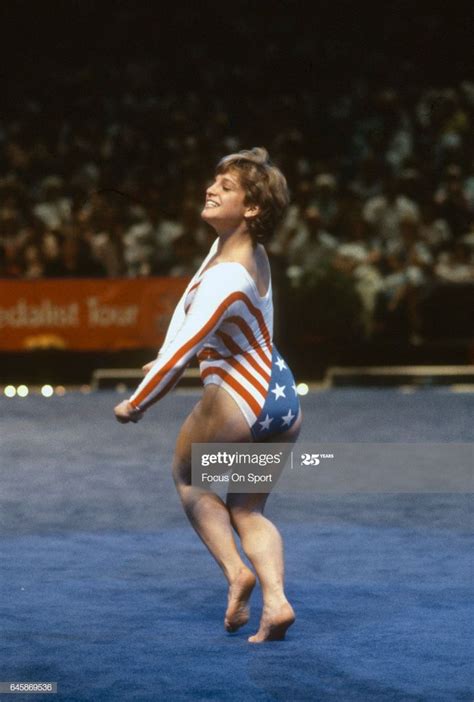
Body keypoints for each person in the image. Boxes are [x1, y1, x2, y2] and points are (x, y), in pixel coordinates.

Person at [114, 148, 302, 642]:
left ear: (252, 208)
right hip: (282, 400)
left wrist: (137, 402)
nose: (211, 189)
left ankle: (237, 573)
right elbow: (184, 313)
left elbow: (185, 355)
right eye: (213, 181)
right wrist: (164, 352)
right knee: (247, 509)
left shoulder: (226, 275)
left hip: (239, 400)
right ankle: (277, 601)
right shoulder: (244, 251)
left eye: (226, 186)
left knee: (189, 479)